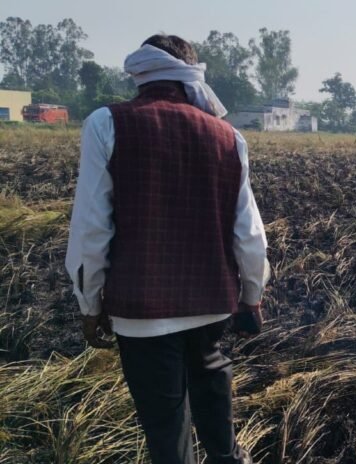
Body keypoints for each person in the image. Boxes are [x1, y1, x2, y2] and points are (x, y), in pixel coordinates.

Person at [65, 34, 269, 464]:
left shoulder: (106, 124)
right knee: (214, 392)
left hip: (141, 312)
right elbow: (249, 234)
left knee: (167, 431)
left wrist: (89, 303)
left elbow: (91, 230)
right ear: (191, 76)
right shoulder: (228, 136)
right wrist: (251, 296)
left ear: (140, 74)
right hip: (212, 305)